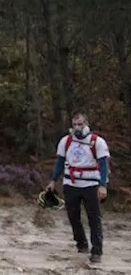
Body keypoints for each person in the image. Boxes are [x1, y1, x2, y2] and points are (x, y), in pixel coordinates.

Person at [45, 112, 110, 264]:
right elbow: (60, 163)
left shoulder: (97, 142)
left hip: (90, 184)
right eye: (74, 124)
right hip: (71, 183)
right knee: (73, 217)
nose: (77, 128)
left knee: (94, 218)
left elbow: (104, 166)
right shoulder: (66, 141)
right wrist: (53, 180)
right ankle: (81, 243)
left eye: (80, 124)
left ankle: (97, 250)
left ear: (86, 123)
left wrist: (103, 186)